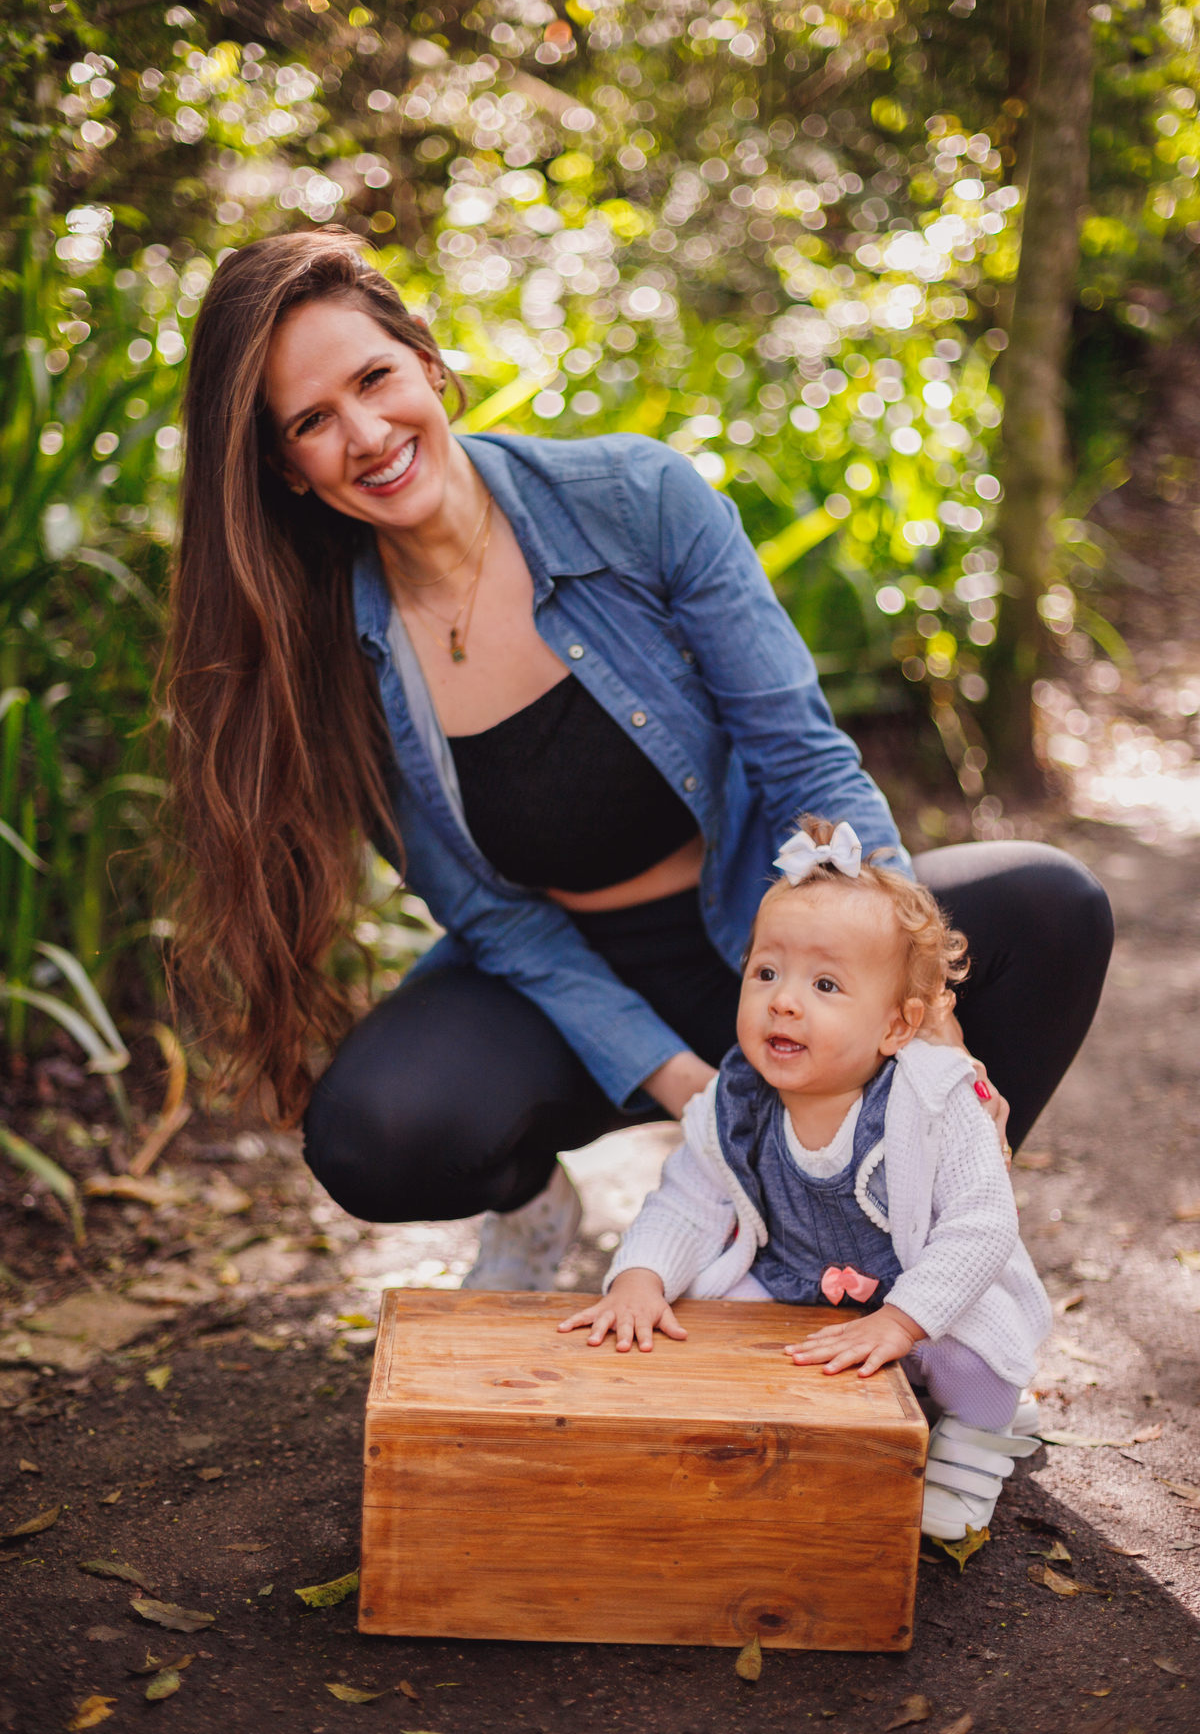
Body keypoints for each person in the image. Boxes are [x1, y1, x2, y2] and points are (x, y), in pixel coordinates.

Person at [167, 228, 1113, 1292]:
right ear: (285, 469)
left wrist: (923, 1024)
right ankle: (528, 1212)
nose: (368, 432)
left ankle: (915, 1245)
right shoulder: (328, 651)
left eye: (375, 377)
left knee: (1050, 905)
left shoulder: (634, 500)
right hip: (567, 971)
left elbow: (804, 762)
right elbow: (492, 916)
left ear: (428, 363)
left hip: (773, 930)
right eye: (312, 421)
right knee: (378, 1135)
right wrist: (693, 1099)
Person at [558, 820, 1049, 1542]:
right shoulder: (737, 1102)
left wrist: (902, 1320)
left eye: (825, 984)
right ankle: (762, 1432)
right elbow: (689, 1201)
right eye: (766, 973)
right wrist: (641, 1274)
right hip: (800, 1284)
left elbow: (982, 1226)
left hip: (924, 1296)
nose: (784, 1002)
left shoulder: (935, 1100)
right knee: (693, 1316)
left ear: (896, 1026)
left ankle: (979, 1435)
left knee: (967, 1354)